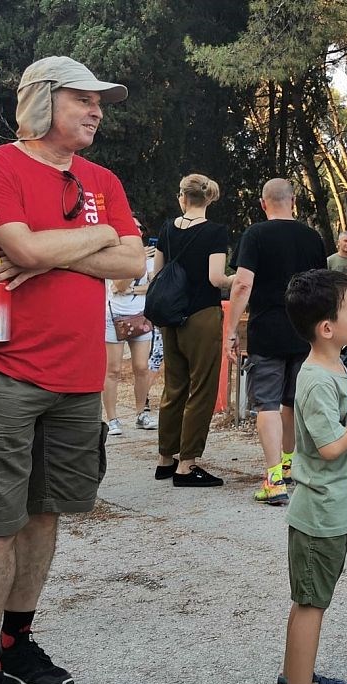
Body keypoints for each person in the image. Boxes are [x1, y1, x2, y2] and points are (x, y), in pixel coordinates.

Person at [0, 56, 143, 684]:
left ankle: (17, 642)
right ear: (40, 102)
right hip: (3, 370)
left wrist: (54, 247)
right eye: (83, 99)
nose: (97, 111)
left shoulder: (102, 179)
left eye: (101, 102)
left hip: (79, 377)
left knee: (43, 515)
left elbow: (133, 258)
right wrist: (92, 239)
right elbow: (22, 252)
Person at [277, 269, 347, 684]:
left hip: (331, 513)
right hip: (318, 517)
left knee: (311, 600)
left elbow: (337, 419)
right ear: (327, 328)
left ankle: (293, 680)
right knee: (310, 604)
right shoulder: (316, 378)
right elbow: (330, 447)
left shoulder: (334, 366)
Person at [225, 178, 327, 506]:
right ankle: (289, 464)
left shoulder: (255, 235)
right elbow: (323, 288)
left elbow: (242, 285)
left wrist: (230, 330)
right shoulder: (312, 237)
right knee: (293, 403)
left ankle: (273, 480)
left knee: (267, 404)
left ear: (262, 203)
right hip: (304, 332)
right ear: (293, 200)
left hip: (266, 330)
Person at [153, 174, 233, 487]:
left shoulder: (166, 229)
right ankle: (187, 466)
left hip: (170, 316)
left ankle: (165, 459)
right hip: (201, 315)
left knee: (174, 387)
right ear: (209, 199)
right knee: (201, 388)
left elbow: (158, 272)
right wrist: (235, 278)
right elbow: (215, 277)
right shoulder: (214, 232)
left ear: (182, 198)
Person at [103, 213, 158, 436]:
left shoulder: (152, 256)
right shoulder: (113, 256)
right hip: (114, 314)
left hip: (141, 314)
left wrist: (135, 288)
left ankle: (141, 413)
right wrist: (138, 261)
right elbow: (118, 286)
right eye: (131, 226)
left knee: (142, 367)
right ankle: (112, 418)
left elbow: (153, 284)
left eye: (139, 227)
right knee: (113, 369)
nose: (136, 230)